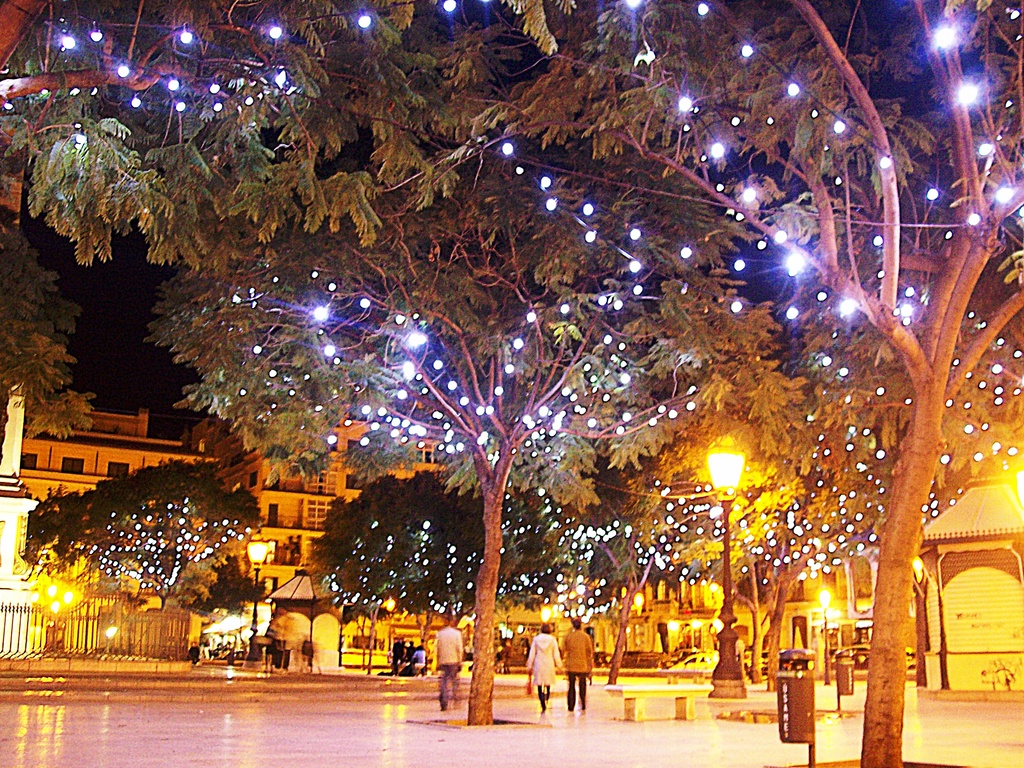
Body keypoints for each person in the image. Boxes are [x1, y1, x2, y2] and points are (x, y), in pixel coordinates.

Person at [526, 623, 562, 713]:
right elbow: (556, 654)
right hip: (549, 662)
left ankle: (542, 701)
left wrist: (529, 665)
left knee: (539, 683)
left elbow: (532, 653)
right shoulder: (552, 640)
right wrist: (559, 664)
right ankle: (547, 698)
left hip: (539, 662)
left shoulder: (536, 639)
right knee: (548, 682)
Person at [561, 618, 594, 712]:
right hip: (582, 665)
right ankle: (583, 703)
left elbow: (564, 649)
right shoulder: (586, 637)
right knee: (582, 685)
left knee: (571, 686)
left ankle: (571, 705)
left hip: (571, 665)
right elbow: (589, 652)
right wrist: (589, 665)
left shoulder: (569, 637)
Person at [435, 615, 464, 711]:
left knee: (443, 682)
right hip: (454, 661)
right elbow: (459, 649)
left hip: (443, 661)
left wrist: (437, 661)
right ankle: (456, 700)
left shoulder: (440, 634)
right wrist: (460, 661)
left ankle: (444, 701)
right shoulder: (457, 634)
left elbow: (437, 649)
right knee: (455, 681)